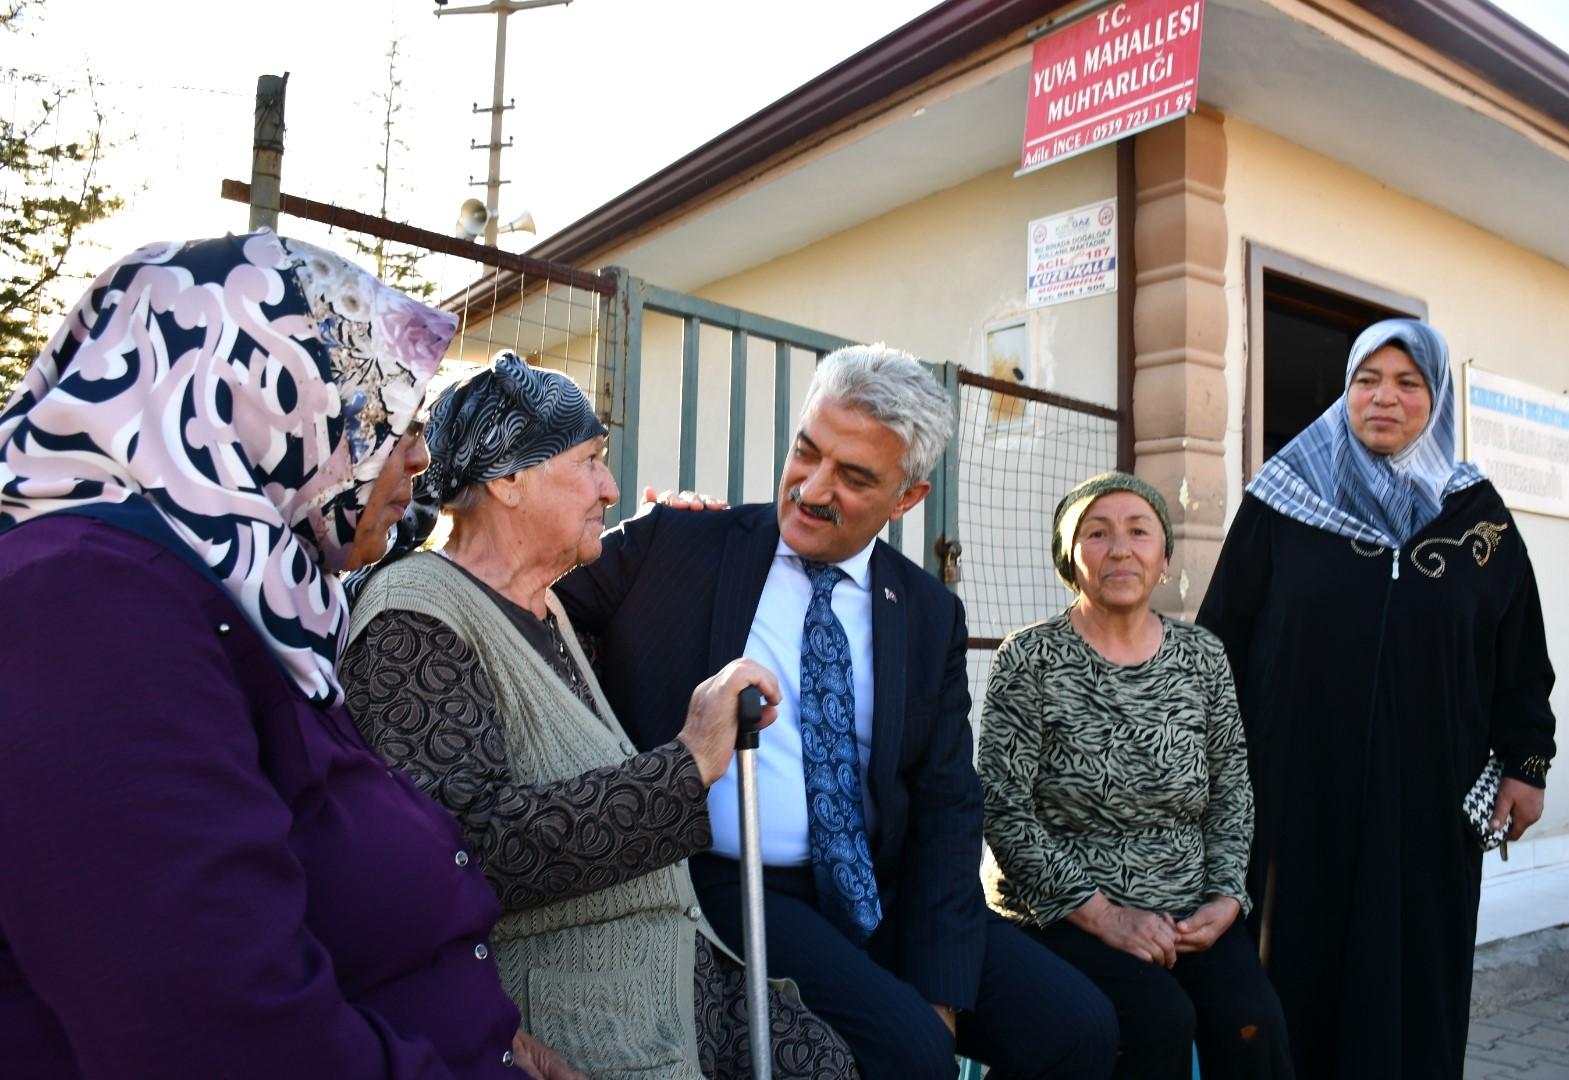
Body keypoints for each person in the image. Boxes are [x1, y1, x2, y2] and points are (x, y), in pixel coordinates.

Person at [0, 231, 551, 1077]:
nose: (416, 459)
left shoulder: (252, 592)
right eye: (385, 419)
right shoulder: (83, 604)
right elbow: (210, 1030)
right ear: (262, 394)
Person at [554, 344, 1119, 1080]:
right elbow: (521, 595)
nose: (812, 489)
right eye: (806, 452)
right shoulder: (679, 542)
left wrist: (941, 992)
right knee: (909, 1054)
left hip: (873, 887)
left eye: (853, 477)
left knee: (1079, 1027)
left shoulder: (925, 611)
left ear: (906, 498)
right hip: (731, 879)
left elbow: (947, 802)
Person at [340, 351, 858, 1080]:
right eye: (588, 461)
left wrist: (682, 540)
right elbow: (466, 847)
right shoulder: (414, 619)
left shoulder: (546, 603)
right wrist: (686, 763)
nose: (609, 487)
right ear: (507, 480)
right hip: (574, 1009)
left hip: (674, 968)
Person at [1197, 319, 1557, 1078]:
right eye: (1367, 381)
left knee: (1414, 983)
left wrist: (1526, 762)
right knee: (1291, 976)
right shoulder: (1281, 501)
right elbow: (1217, 640)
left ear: (1436, 399)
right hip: (1293, 797)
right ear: (1345, 392)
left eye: (1407, 383)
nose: (1383, 399)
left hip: (1427, 801)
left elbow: (1519, 654)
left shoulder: (1477, 517)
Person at [979, 472, 1292, 1079]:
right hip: (1064, 912)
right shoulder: (1029, 659)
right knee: (1156, 1018)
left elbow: (1232, 791)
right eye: (1096, 533)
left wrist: (1227, 896)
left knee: (1253, 1021)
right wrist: (1107, 917)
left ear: (1164, 558)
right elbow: (1003, 810)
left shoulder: (1203, 657)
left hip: (1184, 910)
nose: (1120, 548)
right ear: (1069, 561)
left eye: (1139, 531)